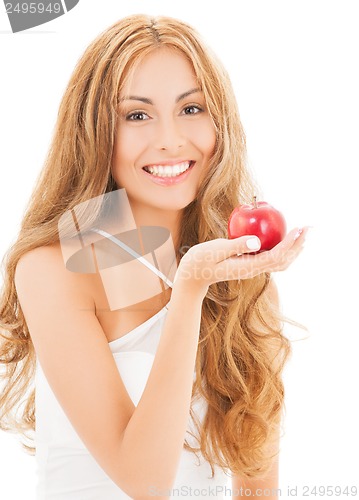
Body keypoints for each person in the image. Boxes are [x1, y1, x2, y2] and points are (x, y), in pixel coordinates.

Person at [0, 13, 309, 500]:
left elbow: (255, 479)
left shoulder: (244, 275)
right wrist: (188, 291)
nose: (170, 138)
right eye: (137, 115)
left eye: (191, 109)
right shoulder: (52, 269)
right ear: (95, 131)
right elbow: (144, 484)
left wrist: (202, 280)